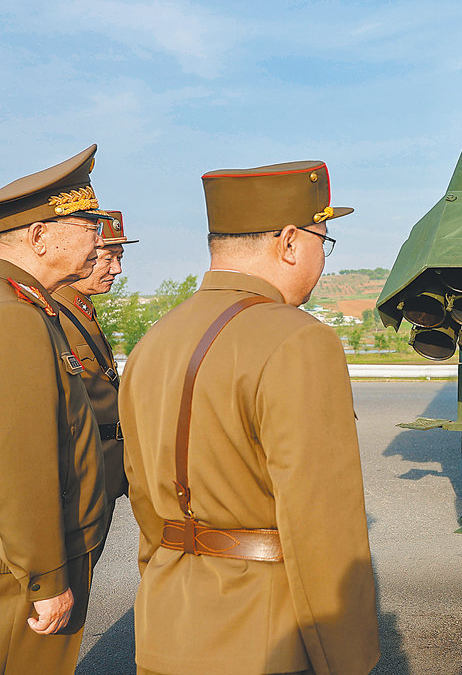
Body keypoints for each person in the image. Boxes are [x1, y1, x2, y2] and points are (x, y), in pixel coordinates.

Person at [119, 160, 380, 675]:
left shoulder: (155, 339)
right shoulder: (298, 338)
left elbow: (146, 501)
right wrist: (348, 658)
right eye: (321, 242)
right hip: (265, 634)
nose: (321, 260)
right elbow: (322, 521)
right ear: (289, 242)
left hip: (166, 621)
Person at [0, 145, 111, 674]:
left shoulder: (27, 305)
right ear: (41, 237)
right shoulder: (16, 315)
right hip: (24, 570)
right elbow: (22, 459)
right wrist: (46, 575)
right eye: (87, 223)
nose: (99, 237)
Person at [54, 210, 138, 516]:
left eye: (120, 257)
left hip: (104, 472)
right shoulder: (55, 313)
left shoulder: (81, 309)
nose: (117, 269)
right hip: (79, 480)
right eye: (108, 258)